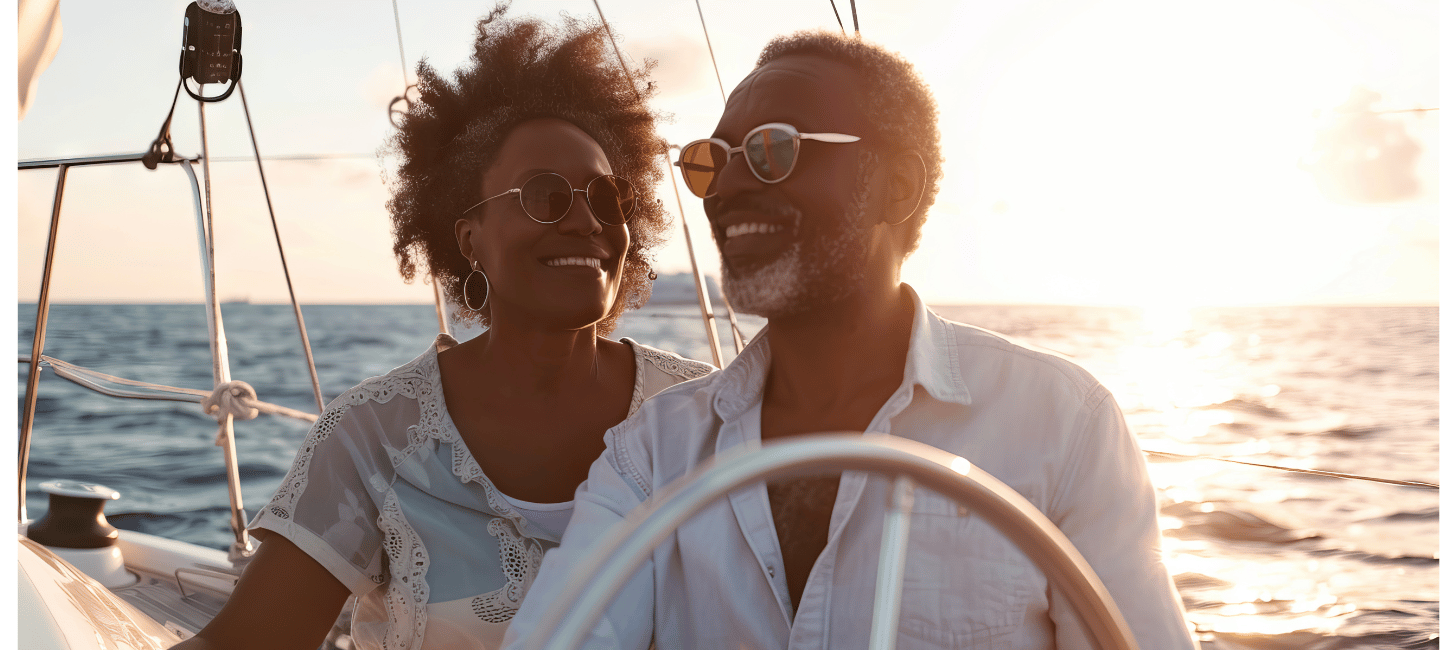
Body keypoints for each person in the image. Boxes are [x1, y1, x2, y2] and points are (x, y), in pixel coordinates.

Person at [503, 30, 1197, 650]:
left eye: (776, 149)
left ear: (896, 187)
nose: (730, 186)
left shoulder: (1063, 426)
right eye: (712, 160)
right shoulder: (653, 457)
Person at [175, 7, 713, 650]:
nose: (586, 223)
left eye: (606, 199)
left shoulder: (697, 413)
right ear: (469, 238)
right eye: (545, 195)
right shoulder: (379, 434)